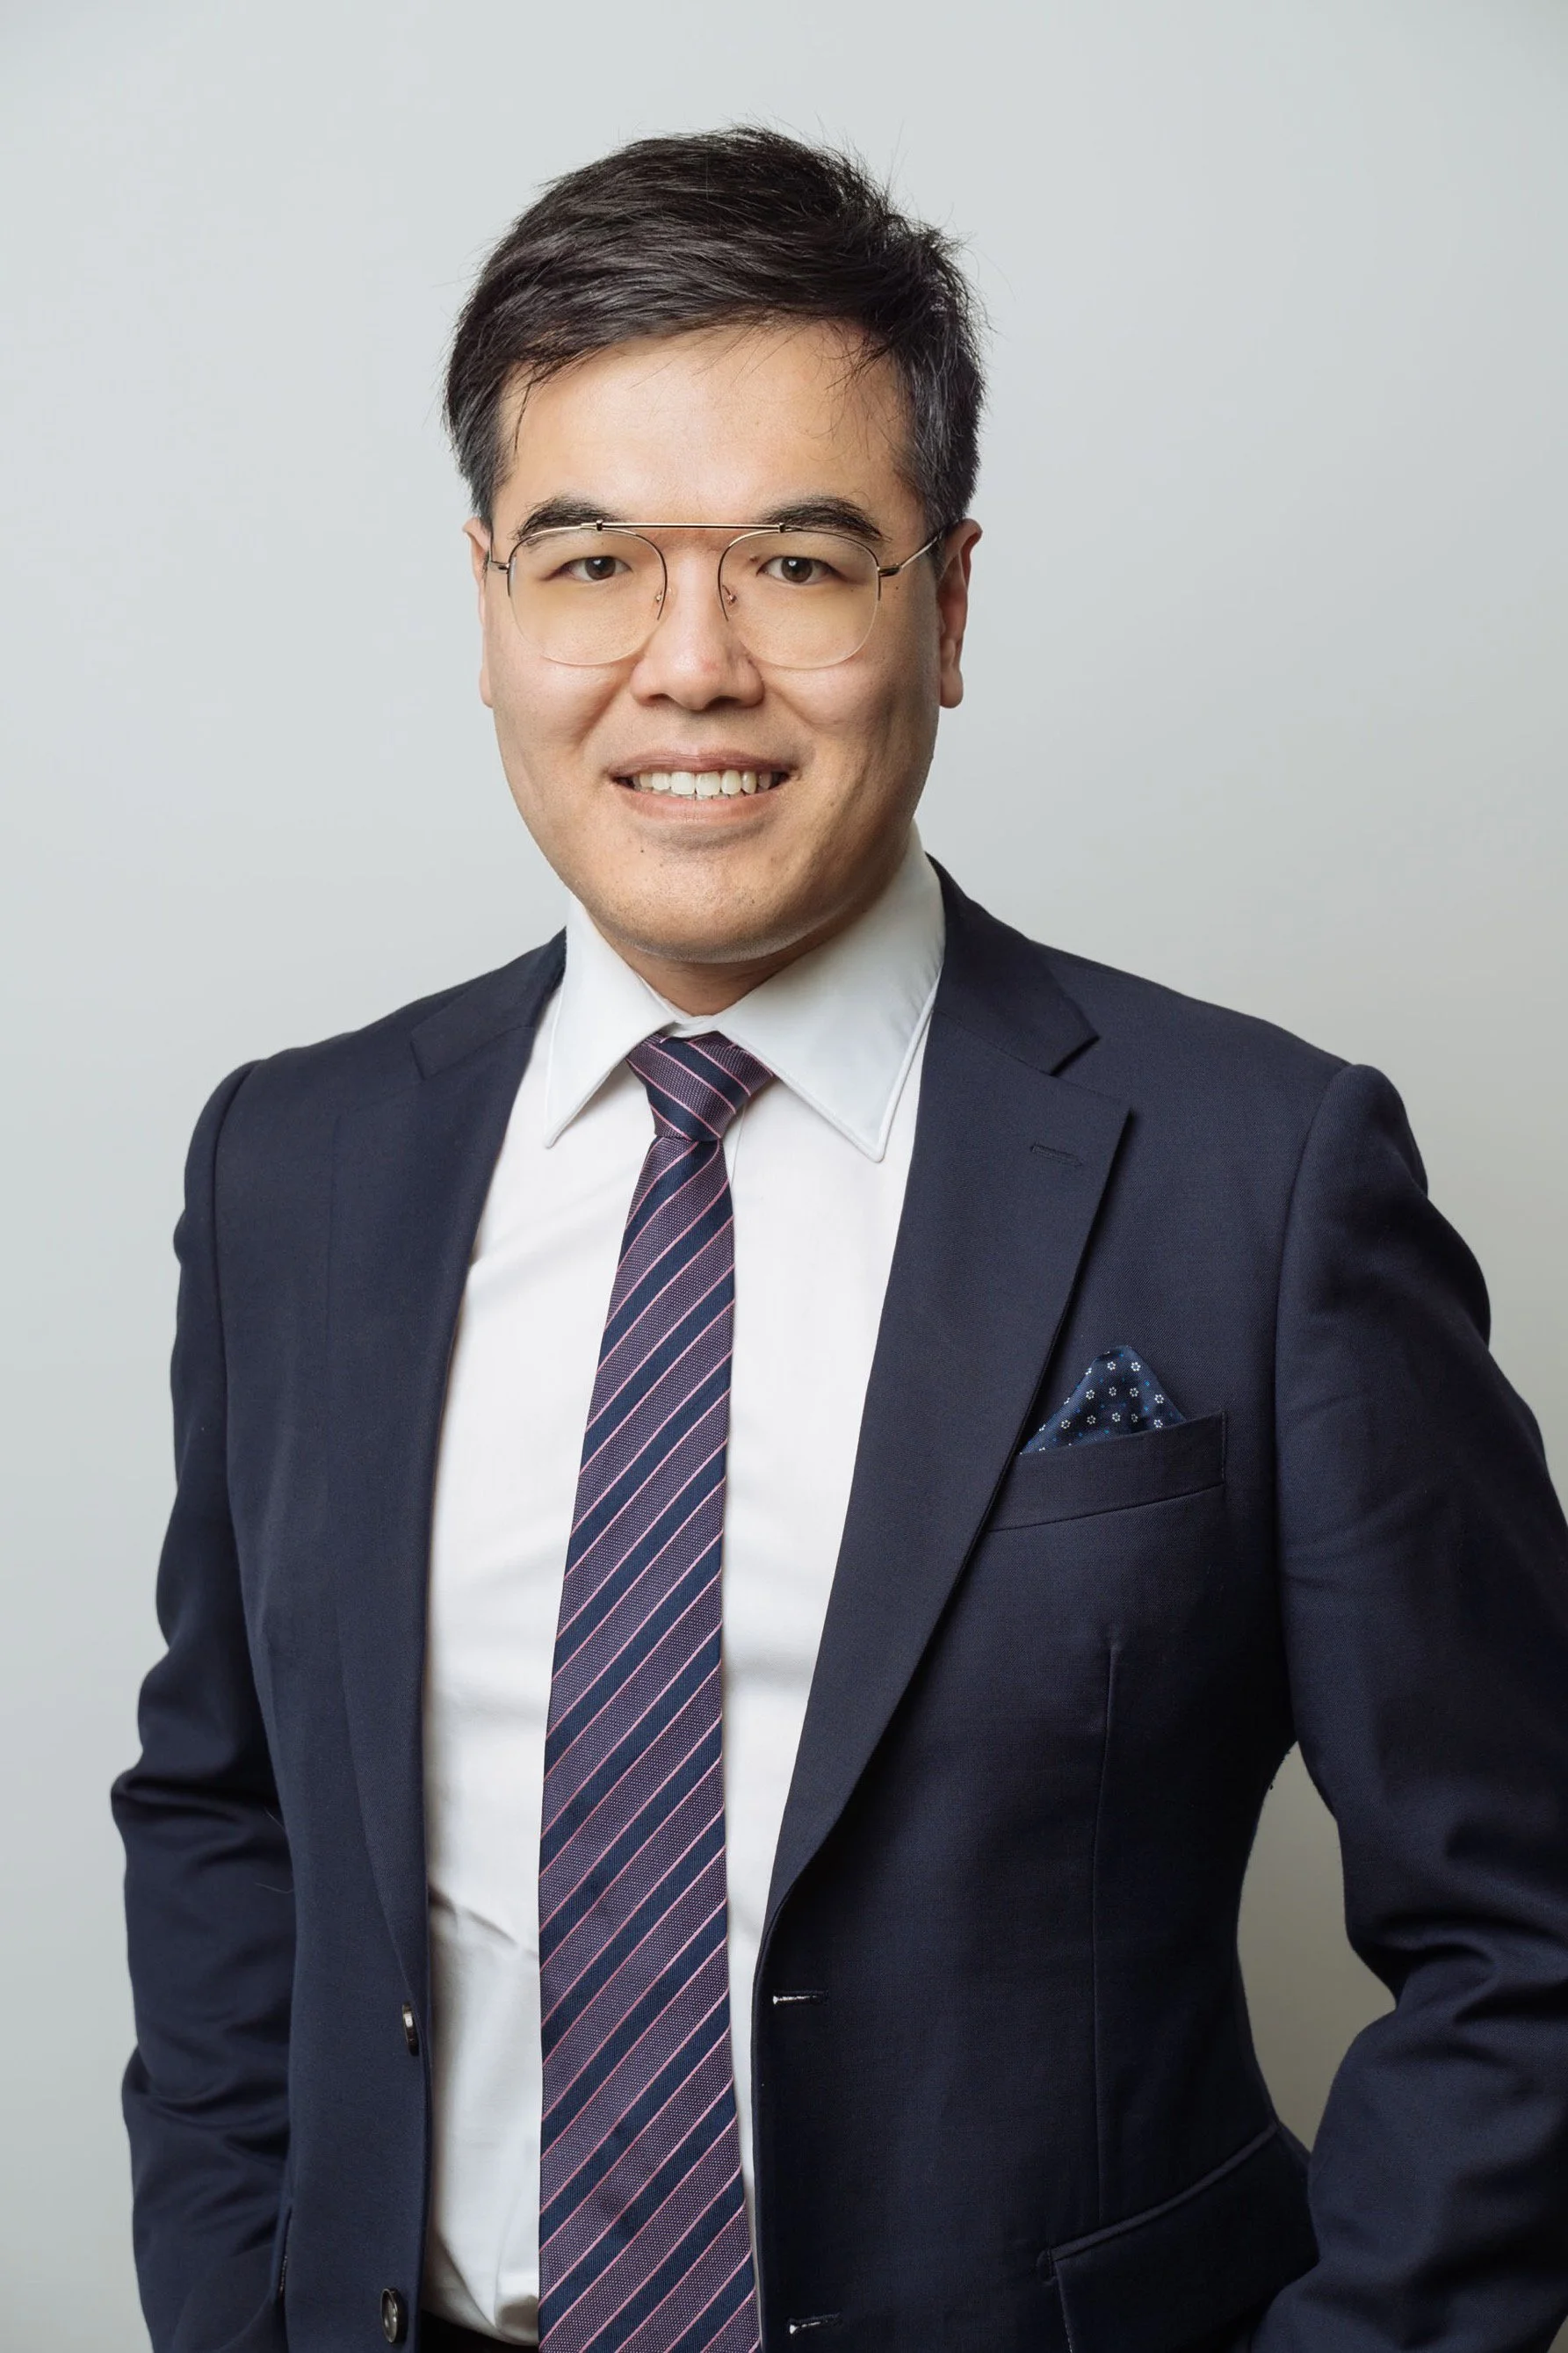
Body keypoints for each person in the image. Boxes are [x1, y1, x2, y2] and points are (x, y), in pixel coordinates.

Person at [113, 127, 1568, 2353]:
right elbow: (226, 1810)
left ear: (946, 606)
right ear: (490, 602)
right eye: (590, 561)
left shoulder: (1260, 1177)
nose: (687, 667)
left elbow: (1526, 1933)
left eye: (797, 562)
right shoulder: (293, 1168)